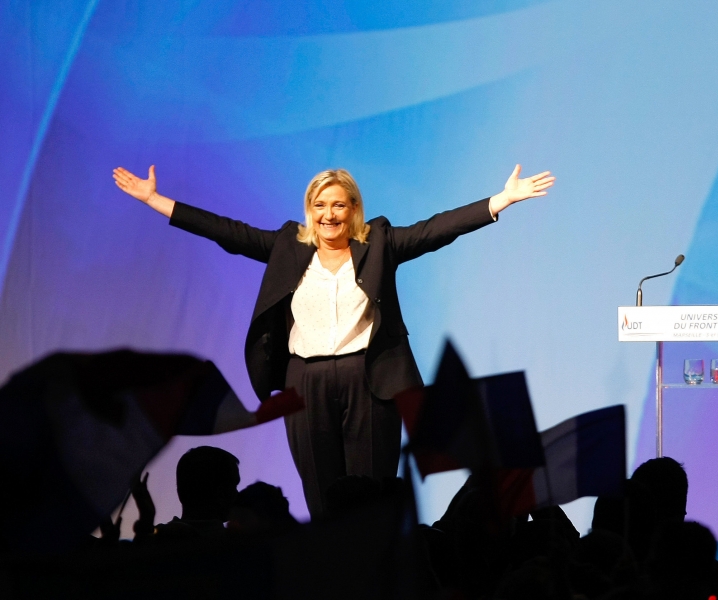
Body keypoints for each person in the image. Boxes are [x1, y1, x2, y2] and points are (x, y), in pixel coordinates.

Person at [112, 164, 554, 519]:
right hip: (306, 383)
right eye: (320, 205)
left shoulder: (378, 241)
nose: (329, 215)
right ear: (309, 208)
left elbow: (436, 229)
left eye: (339, 205)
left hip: (369, 380)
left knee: (373, 492)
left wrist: (502, 200)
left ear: (354, 208)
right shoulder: (288, 245)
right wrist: (155, 201)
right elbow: (227, 231)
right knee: (323, 495)